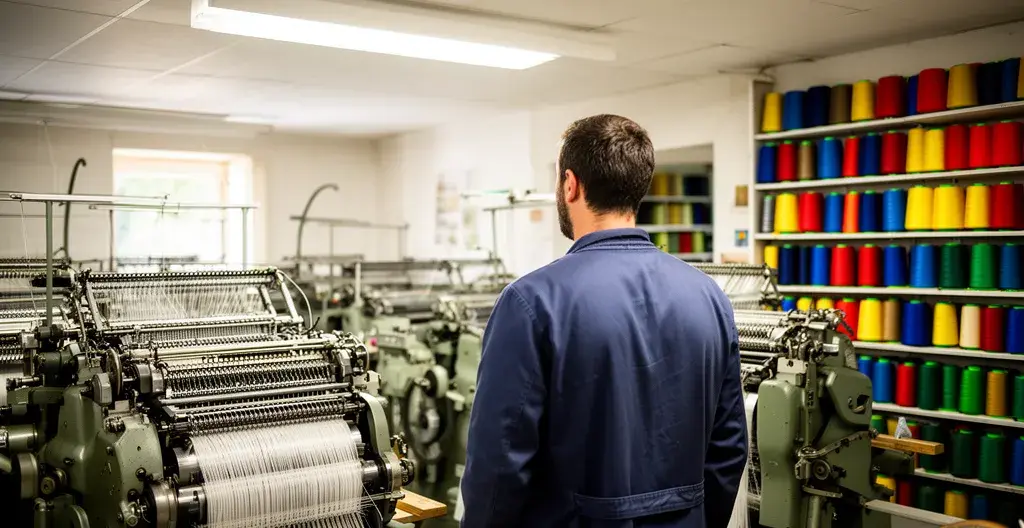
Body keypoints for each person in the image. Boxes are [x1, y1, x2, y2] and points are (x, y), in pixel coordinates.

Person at [459, 114, 748, 528]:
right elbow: (729, 448)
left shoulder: (531, 302)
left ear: (571, 185)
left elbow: (500, 463)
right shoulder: (709, 297)